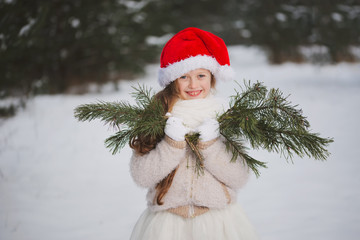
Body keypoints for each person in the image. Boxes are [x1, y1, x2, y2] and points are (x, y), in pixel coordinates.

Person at [129, 27, 259, 240]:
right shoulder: (158, 117)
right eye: (184, 77)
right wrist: (171, 144)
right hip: (167, 225)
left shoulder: (224, 118)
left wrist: (211, 144)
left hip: (218, 222)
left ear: (212, 77)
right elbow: (142, 176)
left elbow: (239, 177)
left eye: (201, 75)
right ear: (173, 80)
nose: (193, 84)